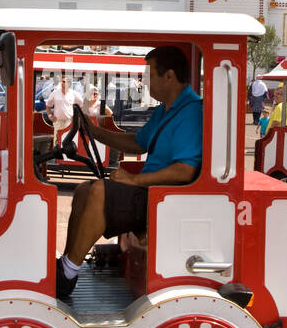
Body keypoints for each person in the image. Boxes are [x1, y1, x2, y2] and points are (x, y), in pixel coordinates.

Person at [55, 46, 201, 299]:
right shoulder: (166, 109)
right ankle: (67, 266)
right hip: (150, 193)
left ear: (169, 76)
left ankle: (68, 273)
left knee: (100, 190)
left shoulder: (191, 112)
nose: (144, 80)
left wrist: (134, 179)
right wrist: (96, 131)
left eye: (149, 74)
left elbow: (184, 171)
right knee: (83, 190)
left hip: (164, 199)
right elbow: (138, 143)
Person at [46, 76, 81, 143]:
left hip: (69, 122)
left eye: (64, 82)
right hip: (58, 121)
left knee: (69, 142)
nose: (62, 83)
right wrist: (50, 116)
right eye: (62, 81)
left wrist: (78, 117)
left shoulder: (73, 93)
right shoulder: (54, 93)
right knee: (57, 142)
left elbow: (82, 104)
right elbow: (48, 105)